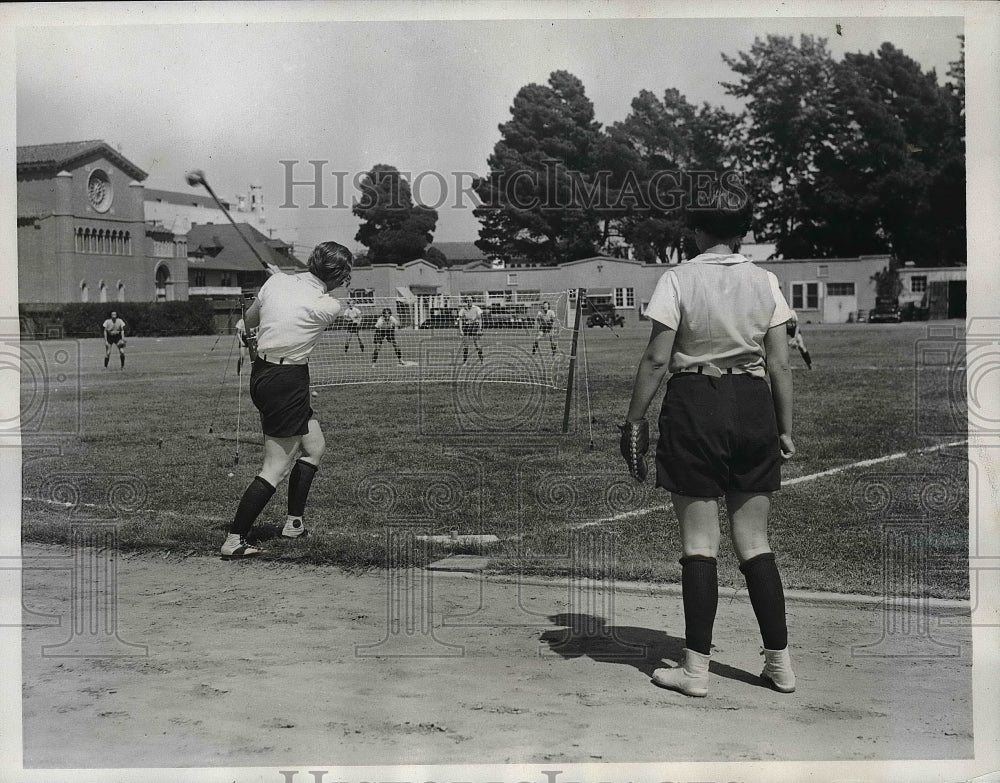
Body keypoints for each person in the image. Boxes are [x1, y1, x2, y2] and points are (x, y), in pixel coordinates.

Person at [620, 187, 797, 697]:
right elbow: (781, 363)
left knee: (700, 545)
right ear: (743, 232)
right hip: (753, 404)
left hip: (696, 403)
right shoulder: (766, 280)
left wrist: (634, 420)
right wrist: (784, 428)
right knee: (756, 544)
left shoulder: (678, 277)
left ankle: (696, 671)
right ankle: (780, 665)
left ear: (695, 231)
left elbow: (656, 359)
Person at [220, 241, 353, 558]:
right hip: (286, 382)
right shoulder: (329, 306)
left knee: (314, 447)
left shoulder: (277, 282)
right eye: (346, 275)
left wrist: (278, 280)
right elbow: (323, 298)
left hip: (264, 374)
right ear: (337, 276)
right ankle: (235, 539)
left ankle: (294, 523)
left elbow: (251, 321)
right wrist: (284, 279)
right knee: (276, 466)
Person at [457, 297, 484, 364]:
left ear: (472, 301)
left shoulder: (476, 308)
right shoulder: (463, 309)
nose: (469, 301)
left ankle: (481, 360)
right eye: (467, 300)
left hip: (475, 325)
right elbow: (460, 320)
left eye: (470, 300)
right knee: (465, 344)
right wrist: (460, 330)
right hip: (466, 326)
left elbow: (480, 319)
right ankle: (465, 361)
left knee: (477, 344)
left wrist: (480, 329)